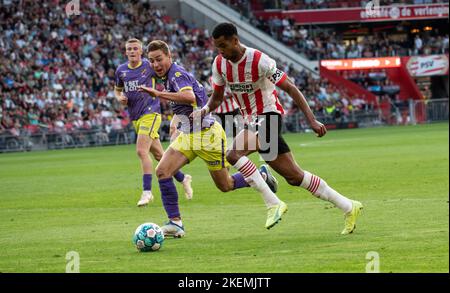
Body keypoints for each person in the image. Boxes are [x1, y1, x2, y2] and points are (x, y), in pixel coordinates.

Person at [197, 23, 363, 235]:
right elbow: (217, 97)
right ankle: (349, 206)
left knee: (233, 153)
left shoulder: (259, 60)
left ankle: (272, 203)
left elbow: (290, 87)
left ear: (235, 41)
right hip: (250, 121)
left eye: (223, 45)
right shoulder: (220, 64)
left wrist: (312, 120)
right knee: (295, 177)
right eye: (217, 47)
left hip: (269, 116)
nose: (220, 51)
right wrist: (204, 110)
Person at [138, 40, 279, 238]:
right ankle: (175, 223)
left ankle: (260, 176)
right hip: (188, 135)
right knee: (162, 171)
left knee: (225, 185)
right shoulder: (168, 75)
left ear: (169, 57)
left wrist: (158, 93)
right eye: (151, 61)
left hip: (207, 136)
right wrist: (177, 121)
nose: (155, 64)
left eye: (159, 59)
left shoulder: (177, 75)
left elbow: (189, 98)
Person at [114, 38, 193, 207]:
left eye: (135, 48)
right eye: (129, 49)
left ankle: (147, 192)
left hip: (151, 113)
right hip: (135, 117)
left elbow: (166, 71)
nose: (132, 51)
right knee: (159, 155)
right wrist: (119, 97)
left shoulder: (149, 66)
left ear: (141, 51)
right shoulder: (121, 70)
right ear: (126, 52)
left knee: (141, 151)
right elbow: (117, 89)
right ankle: (183, 178)